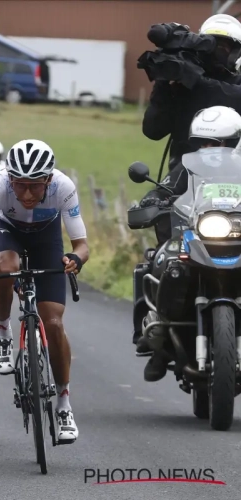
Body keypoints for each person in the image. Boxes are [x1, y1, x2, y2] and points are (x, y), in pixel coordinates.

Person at [0, 139, 89, 443]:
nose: (26, 194)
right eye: (19, 185)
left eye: (35, 186)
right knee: (5, 266)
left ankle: (63, 403)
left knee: (54, 323)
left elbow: (82, 246)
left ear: (48, 179)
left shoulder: (64, 187)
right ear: (10, 178)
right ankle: (3, 331)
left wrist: (75, 260)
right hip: (7, 230)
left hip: (46, 237)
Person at [134, 14, 241, 350]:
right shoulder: (177, 75)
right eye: (216, 45)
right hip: (186, 171)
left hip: (235, 169)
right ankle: (156, 323)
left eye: (227, 46)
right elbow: (152, 130)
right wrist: (168, 86)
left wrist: (196, 83)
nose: (221, 52)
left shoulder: (231, 83)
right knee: (160, 220)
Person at [138, 105, 241, 381]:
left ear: (234, 143)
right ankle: (158, 335)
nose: (209, 149)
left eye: (218, 143)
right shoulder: (186, 168)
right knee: (163, 260)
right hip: (195, 236)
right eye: (203, 143)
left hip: (237, 237)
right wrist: (151, 201)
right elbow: (163, 189)